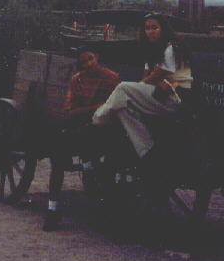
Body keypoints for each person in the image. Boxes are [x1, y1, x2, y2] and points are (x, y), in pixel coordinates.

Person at [92, 13, 192, 201]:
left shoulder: (170, 47)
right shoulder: (153, 50)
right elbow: (149, 76)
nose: (151, 31)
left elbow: (158, 74)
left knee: (122, 88)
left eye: (155, 27)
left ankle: (99, 117)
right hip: (157, 96)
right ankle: (146, 148)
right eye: (147, 28)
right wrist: (143, 85)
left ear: (162, 29)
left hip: (174, 98)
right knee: (123, 107)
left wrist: (141, 85)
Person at [44, 46, 120, 231]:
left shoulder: (112, 78)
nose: (87, 64)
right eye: (83, 62)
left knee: (72, 142)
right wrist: (94, 108)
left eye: (90, 59)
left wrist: (91, 111)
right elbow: (71, 111)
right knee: (58, 151)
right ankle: (53, 208)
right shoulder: (77, 79)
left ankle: (104, 201)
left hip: (104, 129)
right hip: (82, 125)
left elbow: (112, 110)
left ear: (97, 57)